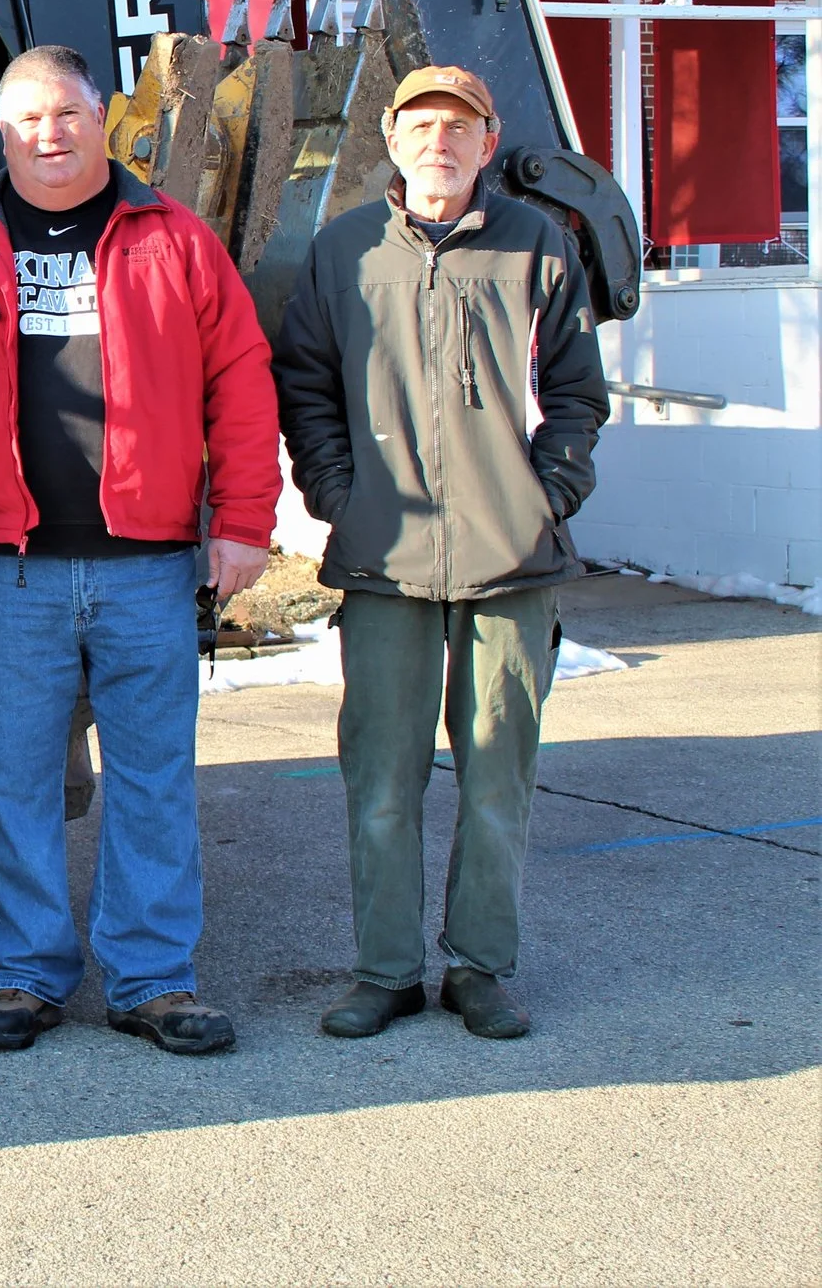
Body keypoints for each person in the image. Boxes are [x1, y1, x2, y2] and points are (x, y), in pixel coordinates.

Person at [0, 43, 280, 1060]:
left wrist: (240, 520)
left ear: (101, 119)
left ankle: (152, 979)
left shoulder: (172, 238)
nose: (47, 135)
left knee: (150, 775)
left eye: (65, 114)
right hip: (9, 568)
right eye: (25, 121)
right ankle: (23, 974)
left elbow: (239, 374)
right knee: (12, 778)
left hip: (144, 563)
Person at [274, 64, 609, 1042]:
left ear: (488, 138)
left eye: (458, 125)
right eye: (420, 122)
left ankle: (479, 967)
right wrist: (340, 496)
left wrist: (545, 497)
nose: (438, 139)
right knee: (380, 777)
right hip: (385, 562)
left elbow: (580, 395)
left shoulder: (537, 243)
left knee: (497, 773)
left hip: (513, 563)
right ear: (390, 132)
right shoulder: (344, 251)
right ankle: (384, 971)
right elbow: (306, 384)